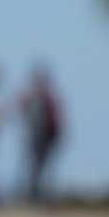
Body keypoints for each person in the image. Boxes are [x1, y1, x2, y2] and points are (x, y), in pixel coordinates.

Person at [16, 64, 64, 202]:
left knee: (40, 167)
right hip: (34, 139)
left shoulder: (47, 99)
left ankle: (37, 194)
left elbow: (56, 120)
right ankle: (32, 194)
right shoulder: (33, 98)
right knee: (34, 167)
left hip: (44, 139)